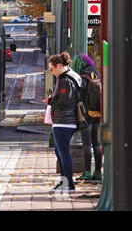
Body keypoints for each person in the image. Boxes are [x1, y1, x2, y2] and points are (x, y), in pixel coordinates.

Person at [46, 52, 82, 192]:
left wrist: (50, 101)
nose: (52, 72)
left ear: (59, 66)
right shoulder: (72, 77)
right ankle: (64, 182)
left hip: (64, 121)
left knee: (64, 153)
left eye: (52, 69)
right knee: (59, 151)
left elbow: (65, 101)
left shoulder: (65, 81)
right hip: (67, 120)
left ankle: (68, 183)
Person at [71, 54, 103, 181]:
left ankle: (87, 172)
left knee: (86, 144)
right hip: (98, 113)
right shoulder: (96, 74)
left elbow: (79, 97)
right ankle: (98, 172)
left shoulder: (82, 78)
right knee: (97, 143)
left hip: (86, 114)